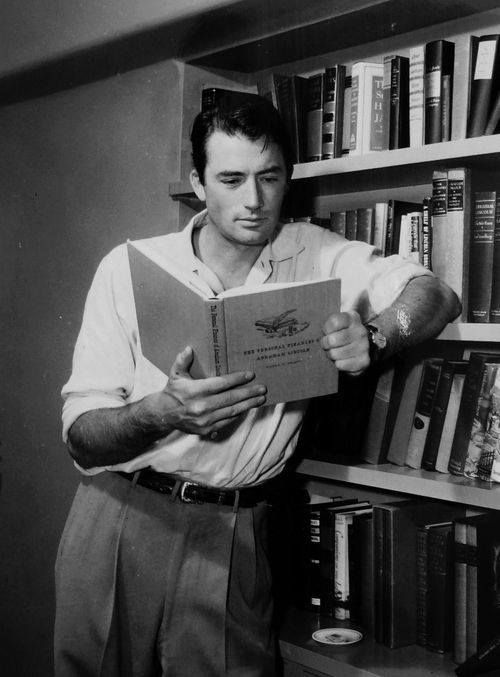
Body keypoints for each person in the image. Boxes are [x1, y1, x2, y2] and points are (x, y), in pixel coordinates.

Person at [54, 94, 460, 677]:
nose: (253, 200)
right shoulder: (128, 267)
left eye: (269, 177)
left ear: (287, 179)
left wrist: (375, 337)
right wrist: (161, 412)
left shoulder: (319, 254)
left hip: (235, 531)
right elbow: (82, 437)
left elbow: (435, 293)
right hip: (120, 516)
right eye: (231, 178)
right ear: (198, 182)